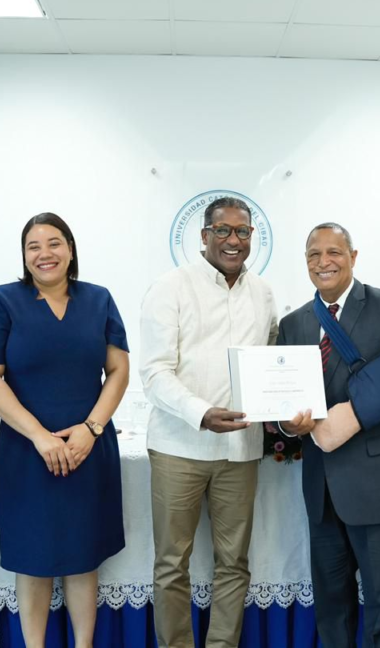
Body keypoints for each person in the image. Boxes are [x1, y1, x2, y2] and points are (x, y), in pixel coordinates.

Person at [0, 212, 129, 648]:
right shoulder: (2, 301)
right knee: (33, 558)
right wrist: (39, 436)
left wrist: (91, 429)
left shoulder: (99, 299)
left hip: (88, 447)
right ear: (23, 256)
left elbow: (118, 370)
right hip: (26, 450)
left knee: (83, 555)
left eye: (54, 243)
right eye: (33, 246)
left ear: (70, 249)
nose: (45, 253)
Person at [139, 196, 278, 648]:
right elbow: (154, 372)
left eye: (242, 231)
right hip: (179, 447)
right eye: (223, 230)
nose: (233, 240)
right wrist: (201, 413)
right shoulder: (170, 287)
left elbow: (271, 363)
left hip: (241, 451)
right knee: (171, 564)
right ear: (204, 236)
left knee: (234, 563)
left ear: (252, 237)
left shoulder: (263, 293)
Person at [277, 222, 380, 648]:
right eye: (314, 255)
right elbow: (284, 401)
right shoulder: (293, 323)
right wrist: (287, 424)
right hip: (322, 489)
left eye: (334, 252)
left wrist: (348, 417)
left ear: (353, 257)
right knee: (331, 605)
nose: (323, 262)